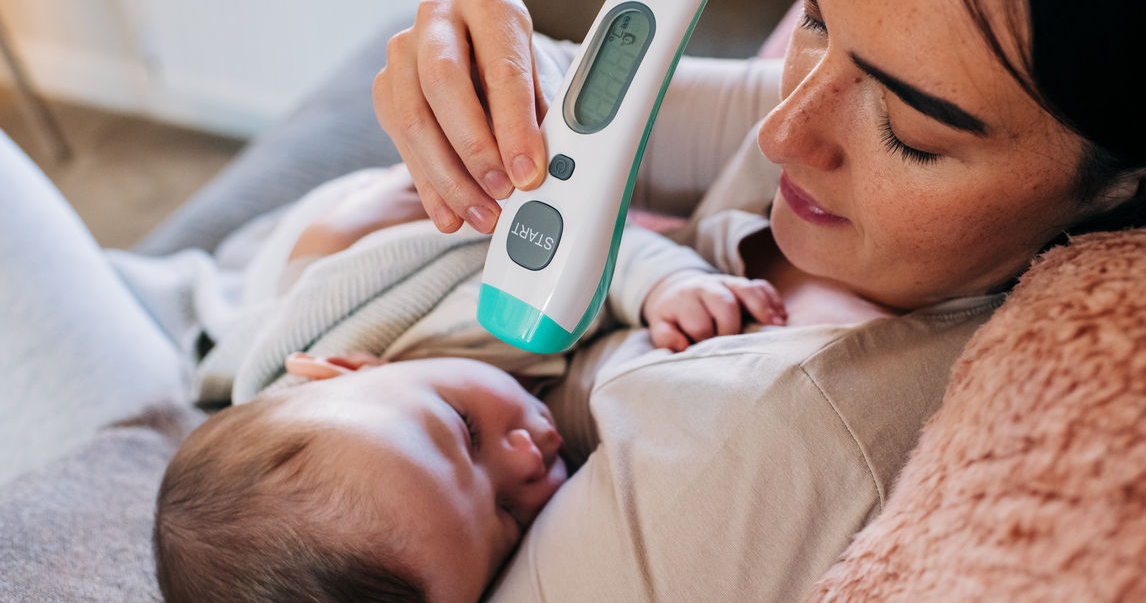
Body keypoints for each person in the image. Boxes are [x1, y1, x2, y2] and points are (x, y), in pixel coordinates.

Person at [371, 0, 1146, 600]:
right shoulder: (851, 109)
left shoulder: (756, 459)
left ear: (1120, 181)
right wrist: (486, 74)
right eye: (815, 14)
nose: (782, 132)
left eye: (912, 133)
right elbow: (585, 118)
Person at [150, 161, 788, 602]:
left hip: (353, 241)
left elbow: (579, 251)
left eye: (464, 428)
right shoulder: (385, 436)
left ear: (354, 366)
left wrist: (665, 284)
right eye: (507, 516)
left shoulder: (471, 323)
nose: (522, 461)